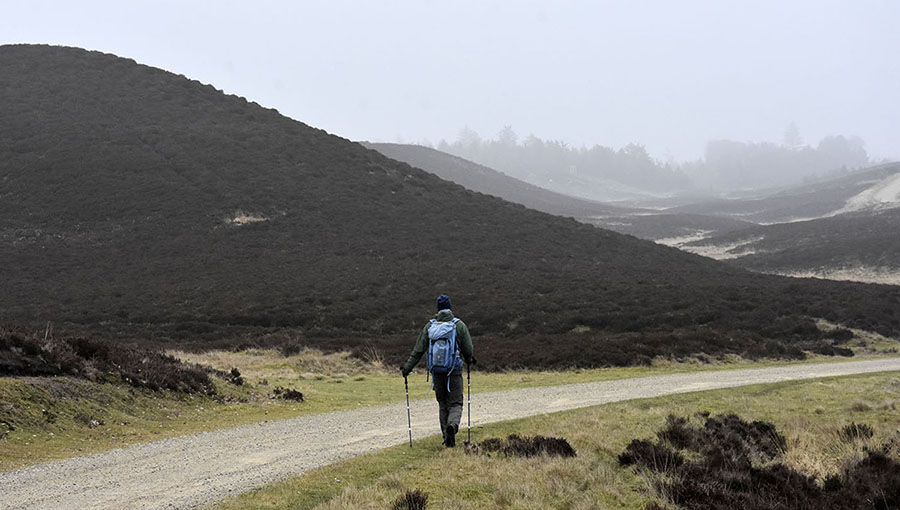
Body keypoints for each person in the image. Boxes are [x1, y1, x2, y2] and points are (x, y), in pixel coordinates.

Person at [401, 294, 475, 447]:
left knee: (442, 403)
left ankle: (445, 437)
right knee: (455, 403)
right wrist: (469, 360)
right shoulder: (459, 325)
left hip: (436, 371)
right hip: (453, 371)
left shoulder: (430, 326)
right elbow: (468, 349)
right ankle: (452, 427)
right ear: (450, 307)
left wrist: (407, 368)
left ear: (438, 309)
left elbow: (418, 351)